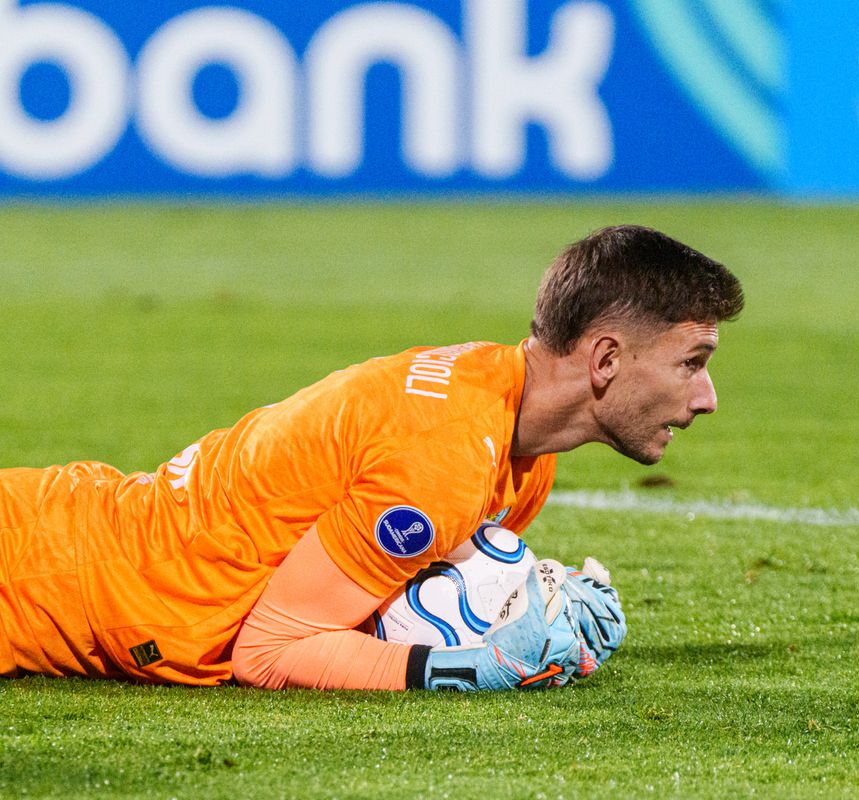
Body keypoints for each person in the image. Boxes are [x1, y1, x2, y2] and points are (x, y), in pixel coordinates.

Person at [0, 225, 744, 691]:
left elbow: (362, 603)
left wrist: (533, 603)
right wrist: (473, 666)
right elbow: (271, 649)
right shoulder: (445, 458)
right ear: (606, 358)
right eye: (692, 362)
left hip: (69, 536)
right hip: (34, 573)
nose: (707, 396)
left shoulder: (511, 441)